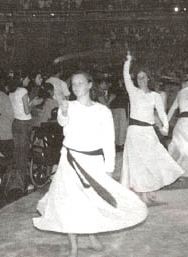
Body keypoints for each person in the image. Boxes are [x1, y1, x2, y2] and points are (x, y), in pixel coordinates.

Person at [33, 71, 147, 257]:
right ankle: (74, 247)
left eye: (80, 83)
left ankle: (92, 236)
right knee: (70, 203)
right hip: (70, 161)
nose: (76, 86)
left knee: (92, 201)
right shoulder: (68, 106)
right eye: (74, 84)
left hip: (94, 162)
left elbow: (108, 140)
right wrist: (63, 111)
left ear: (89, 85)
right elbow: (63, 122)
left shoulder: (103, 111)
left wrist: (109, 168)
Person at [120, 52, 184, 204]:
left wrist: (165, 128)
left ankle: (149, 189)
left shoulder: (155, 96)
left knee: (154, 159)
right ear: (136, 80)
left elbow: (162, 114)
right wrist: (128, 61)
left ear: (148, 78)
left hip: (149, 132)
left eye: (144, 77)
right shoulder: (133, 92)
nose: (141, 80)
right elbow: (125, 76)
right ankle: (142, 193)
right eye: (139, 78)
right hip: (135, 132)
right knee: (137, 162)